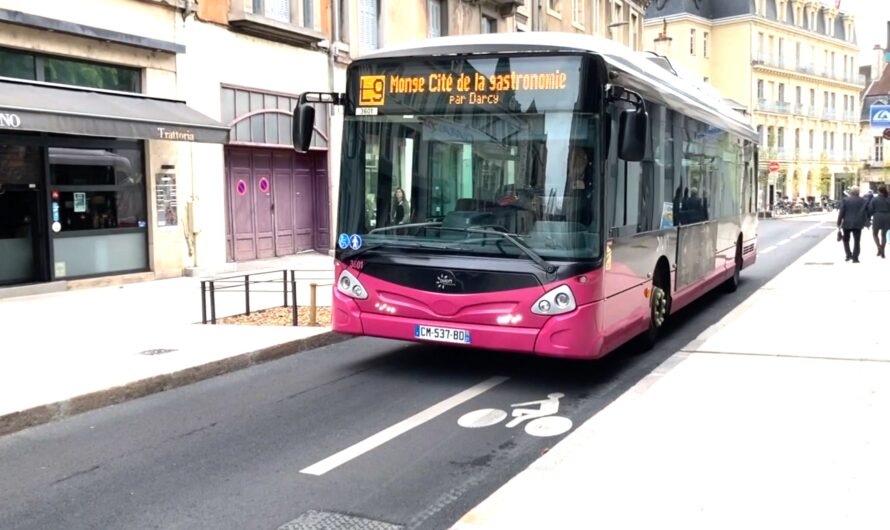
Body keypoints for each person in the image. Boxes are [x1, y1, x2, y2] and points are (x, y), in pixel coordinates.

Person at [837, 185, 868, 263]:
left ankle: (848, 255)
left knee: (846, 240)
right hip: (858, 223)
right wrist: (866, 222)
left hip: (847, 223)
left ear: (851, 192)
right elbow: (865, 212)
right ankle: (855, 258)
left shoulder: (845, 200)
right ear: (858, 192)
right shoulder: (863, 200)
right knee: (857, 241)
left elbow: (841, 212)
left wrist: (839, 222)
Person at [868, 184, 890, 258]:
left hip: (877, 217)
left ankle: (879, 247)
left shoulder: (874, 199)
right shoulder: (888, 199)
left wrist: (869, 217)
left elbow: (870, 209)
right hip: (887, 217)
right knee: (884, 235)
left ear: (878, 191)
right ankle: (883, 250)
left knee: (875, 234)